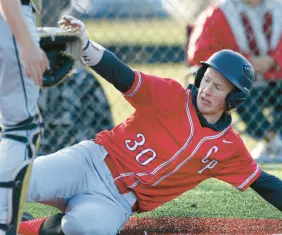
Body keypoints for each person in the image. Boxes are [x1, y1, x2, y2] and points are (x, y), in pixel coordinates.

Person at [18, 16, 282, 235]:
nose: (207, 90)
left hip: (117, 201)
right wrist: (86, 46)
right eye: (206, 80)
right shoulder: (170, 95)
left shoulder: (228, 147)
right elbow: (122, 75)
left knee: (84, 229)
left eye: (218, 87)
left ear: (234, 98)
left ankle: (22, 229)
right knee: (16, 181)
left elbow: (264, 182)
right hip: (89, 163)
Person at [187, 0, 282, 162]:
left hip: (276, 76)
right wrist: (243, 63)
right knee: (233, 88)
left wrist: (273, 59)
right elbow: (199, 52)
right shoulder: (218, 13)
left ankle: (275, 141)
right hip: (242, 80)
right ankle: (270, 140)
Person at [0, 0, 49, 234]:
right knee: (22, 129)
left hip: (11, 19)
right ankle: (3, 222)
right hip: (9, 17)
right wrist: (26, 42)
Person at [38, 61, 114, 155]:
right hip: (74, 153)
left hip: (80, 151)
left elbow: (104, 124)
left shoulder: (83, 79)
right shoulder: (83, 78)